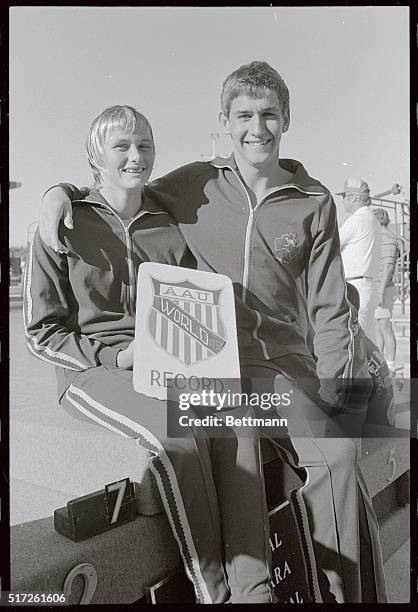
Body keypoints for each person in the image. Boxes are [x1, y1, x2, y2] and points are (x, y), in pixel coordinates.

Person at [38, 62, 386, 602]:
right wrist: (55, 193)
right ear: (224, 121)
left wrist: (335, 389)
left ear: (286, 118)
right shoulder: (195, 184)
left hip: (275, 369)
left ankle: (334, 593)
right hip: (199, 364)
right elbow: (118, 192)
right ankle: (237, 590)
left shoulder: (313, 201)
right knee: (209, 430)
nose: (257, 128)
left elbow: (330, 309)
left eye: (269, 114)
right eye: (244, 115)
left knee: (335, 453)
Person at [24, 105, 276, 604]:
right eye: (122, 146)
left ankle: (255, 590)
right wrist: (116, 359)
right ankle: (215, 592)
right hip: (94, 371)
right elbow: (40, 333)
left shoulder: (166, 223)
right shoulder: (62, 226)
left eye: (144, 145)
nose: (136, 156)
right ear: (95, 157)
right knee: (177, 432)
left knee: (238, 424)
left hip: (169, 363)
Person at [337, 178, 382, 341]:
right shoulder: (372, 219)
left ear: (354, 198)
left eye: (345, 196)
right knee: (368, 342)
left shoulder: (356, 220)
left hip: (355, 286)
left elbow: (332, 245)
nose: (342, 201)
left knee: (353, 343)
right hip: (368, 286)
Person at [372, 207, 400, 375]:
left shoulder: (386, 238)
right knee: (378, 326)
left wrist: (381, 290)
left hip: (384, 287)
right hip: (379, 287)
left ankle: (391, 365)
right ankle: (381, 361)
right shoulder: (380, 238)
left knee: (385, 326)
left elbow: (389, 266)